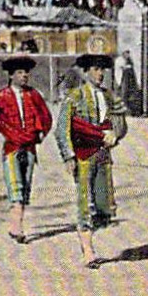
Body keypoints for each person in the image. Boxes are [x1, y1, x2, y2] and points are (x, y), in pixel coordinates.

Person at [53, 54, 130, 269]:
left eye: (102, 70)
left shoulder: (110, 96)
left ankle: (90, 234)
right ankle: (88, 251)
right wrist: (68, 155)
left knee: (105, 208)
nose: (100, 73)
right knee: (84, 201)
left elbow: (121, 123)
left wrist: (116, 133)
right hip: (83, 155)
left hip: (103, 155)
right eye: (96, 69)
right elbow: (62, 128)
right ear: (86, 72)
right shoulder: (75, 96)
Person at [0, 54, 52, 244]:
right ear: (11, 75)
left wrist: (41, 132)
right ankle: (17, 227)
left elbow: (46, 116)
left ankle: (16, 224)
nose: (24, 76)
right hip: (12, 148)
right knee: (15, 185)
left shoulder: (33, 95)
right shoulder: (2, 96)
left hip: (30, 147)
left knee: (25, 186)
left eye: (26, 72)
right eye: (20, 72)